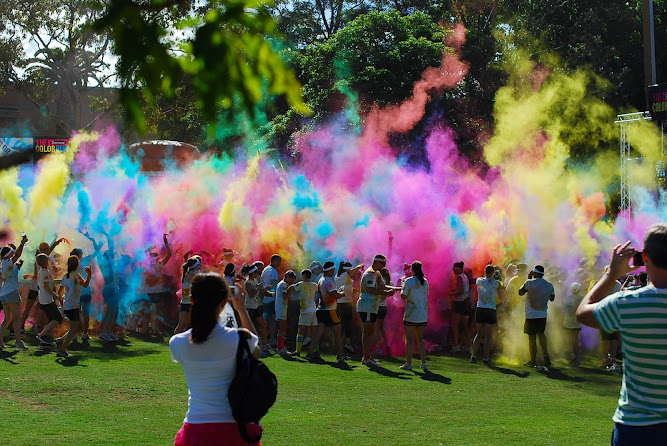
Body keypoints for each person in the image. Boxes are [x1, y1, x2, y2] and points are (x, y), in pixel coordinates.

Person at [576, 225, 667, 444]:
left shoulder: (627, 304)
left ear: (644, 257)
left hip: (636, 428)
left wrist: (610, 274)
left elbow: (582, 313)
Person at [170, 273, 263, 446]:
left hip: (197, 429)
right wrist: (241, 309)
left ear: (192, 299)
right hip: (237, 430)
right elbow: (256, 351)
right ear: (223, 304)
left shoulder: (178, 343)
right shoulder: (238, 338)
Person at [306, 260, 350, 362]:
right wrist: (343, 293)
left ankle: (310, 353)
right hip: (330, 311)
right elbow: (335, 295)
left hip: (321, 310)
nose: (334, 272)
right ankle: (340, 355)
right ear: (330, 270)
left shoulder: (321, 280)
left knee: (319, 333)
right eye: (333, 270)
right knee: (338, 334)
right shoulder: (329, 281)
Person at [518, 265, 555, 367]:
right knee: (541, 334)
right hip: (542, 314)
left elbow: (520, 292)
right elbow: (552, 298)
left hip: (531, 315)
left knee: (532, 338)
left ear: (534, 273)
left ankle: (533, 361)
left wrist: (528, 279)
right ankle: (545, 354)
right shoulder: (549, 285)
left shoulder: (529, 283)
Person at [357, 254, 389, 367]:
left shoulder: (377, 273)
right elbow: (371, 289)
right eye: (383, 264)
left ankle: (367, 356)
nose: (384, 266)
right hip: (367, 305)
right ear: (377, 262)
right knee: (368, 330)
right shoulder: (370, 273)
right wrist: (385, 293)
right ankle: (366, 357)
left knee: (370, 331)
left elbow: (384, 287)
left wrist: (399, 288)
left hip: (372, 306)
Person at [57, 255, 92, 357]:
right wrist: (89, 275)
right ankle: (62, 349)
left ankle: (61, 340)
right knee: (75, 327)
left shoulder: (65, 276)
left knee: (77, 326)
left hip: (69, 305)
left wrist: (61, 302)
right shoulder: (76, 275)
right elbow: (85, 285)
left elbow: (60, 291)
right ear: (77, 265)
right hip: (73, 305)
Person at [0, 235, 28, 350]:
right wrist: (22, 243)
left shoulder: (5, 264)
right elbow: (17, 255)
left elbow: (11, 274)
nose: (14, 253)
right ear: (9, 254)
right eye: (12, 252)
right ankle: (18, 341)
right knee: (16, 318)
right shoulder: (8, 262)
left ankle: (0, 342)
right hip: (12, 293)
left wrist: (19, 266)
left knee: (7, 319)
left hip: (4, 294)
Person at [399, 261, 429, 371]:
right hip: (422, 314)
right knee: (420, 339)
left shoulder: (409, 281)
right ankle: (423, 363)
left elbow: (403, 296)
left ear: (413, 269)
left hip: (411, 313)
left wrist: (402, 287)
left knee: (409, 339)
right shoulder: (425, 281)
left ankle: (409, 363)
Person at [471, 264, 502, 365]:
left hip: (480, 308)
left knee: (478, 334)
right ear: (493, 272)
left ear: (485, 271)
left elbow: (477, 279)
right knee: (487, 336)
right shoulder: (496, 283)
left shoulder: (479, 280)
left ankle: (473, 356)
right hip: (490, 309)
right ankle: (485, 358)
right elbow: (502, 294)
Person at [141, 234, 172, 335]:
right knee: (154, 312)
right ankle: (151, 329)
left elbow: (168, 255)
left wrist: (149, 248)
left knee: (150, 311)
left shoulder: (150, 265)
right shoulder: (156, 264)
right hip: (153, 291)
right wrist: (166, 243)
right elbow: (169, 255)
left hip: (151, 291)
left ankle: (147, 330)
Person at [287, 269, 318, 357]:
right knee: (314, 332)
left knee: (301, 330)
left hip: (305, 311)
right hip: (313, 310)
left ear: (304, 277)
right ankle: (316, 351)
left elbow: (291, 288)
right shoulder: (314, 285)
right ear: (310, 277)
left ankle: (298, 351)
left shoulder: (301, 284)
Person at [35, 253, 64, 348]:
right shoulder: (45, 272)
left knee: (51, 318)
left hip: (43, 298)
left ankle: (43, 340)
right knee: (57, 318)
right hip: (47, 299)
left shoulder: (42, 271)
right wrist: (55, 295)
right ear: (45, 262)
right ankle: (41, 335)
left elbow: (47, 284)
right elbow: (47, 286)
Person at [335, 261, 363, 354]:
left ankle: (342, 344)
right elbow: (350, 272)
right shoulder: (344, 275)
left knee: (343, 325)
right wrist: (359, 266)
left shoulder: (337, 277)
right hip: (345, 303)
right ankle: (345, 344)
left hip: (340, 303)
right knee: (346, 325)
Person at [242, 264, 269, 352]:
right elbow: (251, 295)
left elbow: (257, 294)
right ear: (252, 273)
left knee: (263, 325)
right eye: (255, 272)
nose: (257, 273)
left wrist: (265, 290)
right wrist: (258, 288)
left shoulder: (255, 281)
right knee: (250, 328)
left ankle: (265, 344)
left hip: (255, 306)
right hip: (250, 307)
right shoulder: (248, 282)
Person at [175, 255, 202, 334]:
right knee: (191, 325)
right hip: (191, 303)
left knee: (182, 325)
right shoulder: (192, 275)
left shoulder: (187, 273)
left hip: (184, 302)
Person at [449, 261, 470, 353]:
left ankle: (456, 345)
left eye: (455, 269)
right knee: (465, 326)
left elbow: (460, 291)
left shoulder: (459, 277)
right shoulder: (464, 277)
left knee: (455, 324)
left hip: (460, 303)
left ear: (460, 269)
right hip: (466, 302)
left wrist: (452, 293)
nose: (453, 271)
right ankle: (468, 346)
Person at [261, 255, 281, 347]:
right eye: (279, 261)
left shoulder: (265, 269)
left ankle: (264, 337)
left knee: (265, 319)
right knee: (272, 319)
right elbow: (273, 286)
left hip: (265, 298)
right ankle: (272, 338)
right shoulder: (273, 272)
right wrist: (275, 295)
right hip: (271, 298)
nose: (280, 264)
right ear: (275, 261)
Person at [275, 270, 296, 355]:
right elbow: (285, 296)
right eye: (291, 280)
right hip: (281, 308)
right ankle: (280, 347)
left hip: (281, 307)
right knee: (282, 327)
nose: (291, 282)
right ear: (288, 277)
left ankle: (281, 346)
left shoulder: (281, 283)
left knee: (283, 327)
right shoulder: (284, 284)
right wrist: (290, 290)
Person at [562, 282, 583, 365]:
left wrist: (561, 321)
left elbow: (563, 311)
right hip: (577, 322)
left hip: (568, 321)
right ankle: (576, 357)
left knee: (567, 339)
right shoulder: (582, 299)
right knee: (575, 340)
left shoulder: (566, 299)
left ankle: (571, 355)